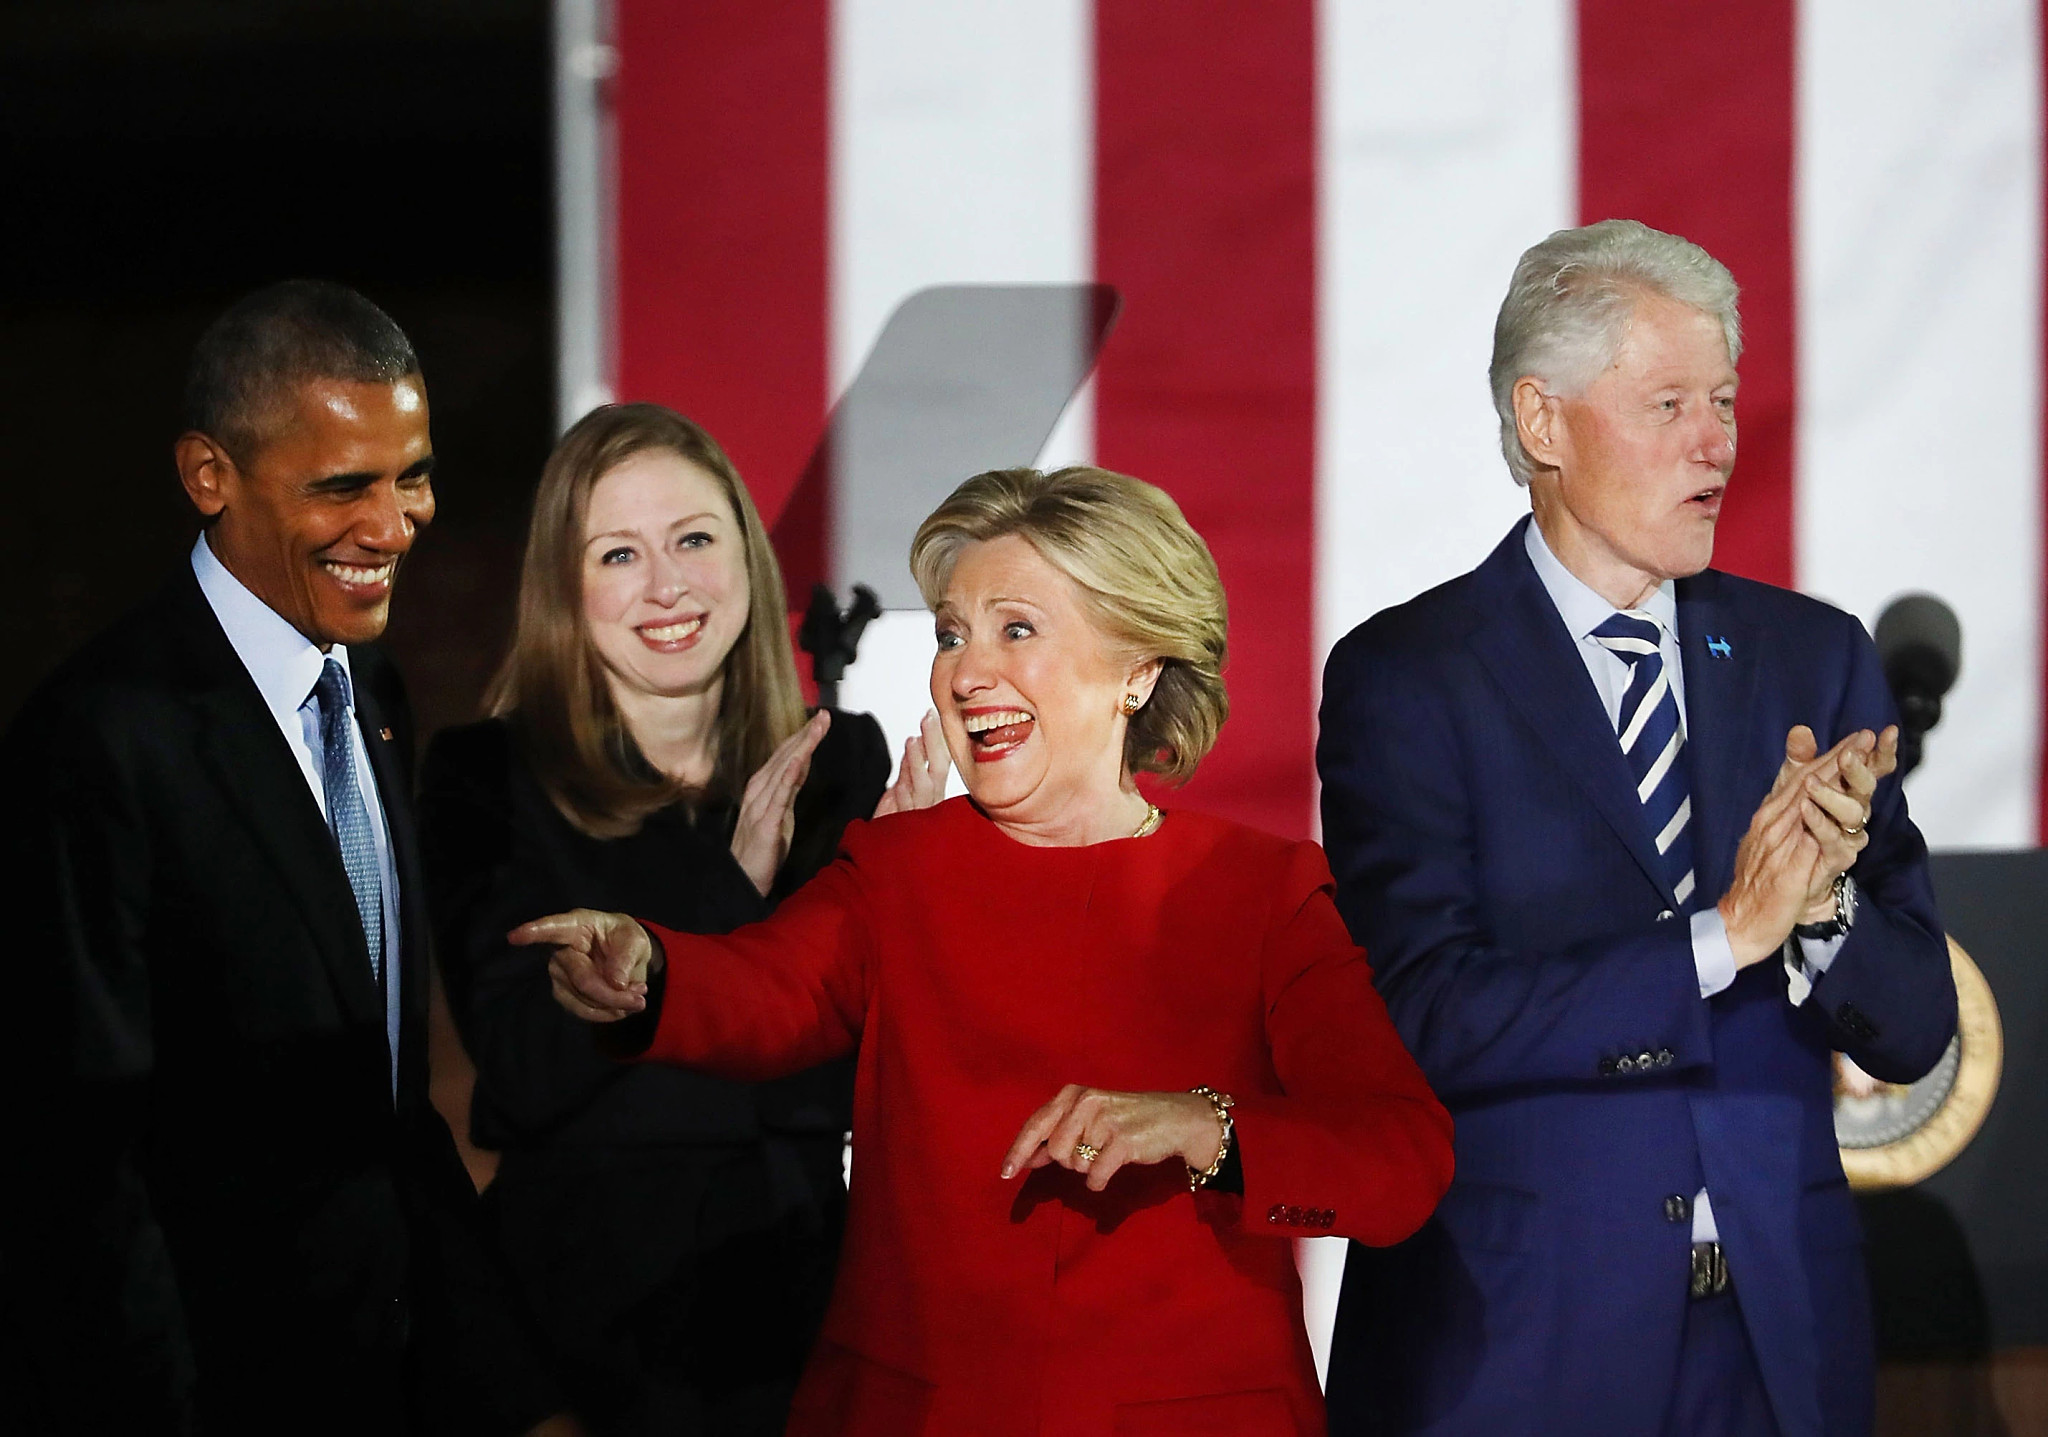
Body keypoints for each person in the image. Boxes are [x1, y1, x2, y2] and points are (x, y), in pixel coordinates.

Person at [518, 465, 1454, 1437]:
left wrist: (1208, 1128)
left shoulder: (1263, 890)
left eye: (1016, 629)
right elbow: (767, 985)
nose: (965, 673)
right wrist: (650, 966)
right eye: (951, 634)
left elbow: (1398, 1158)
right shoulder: (895, 867)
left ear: (1136, 668)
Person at [1317, 220, 1958, 1437]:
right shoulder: (1409, 677)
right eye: (1668, 403)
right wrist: (1723, 938)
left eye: (1720, 399)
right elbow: (1425, 1017)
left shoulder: (1809, 662)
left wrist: (1819, 910)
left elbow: (1915, 1028)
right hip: (1512, 1346)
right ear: (1541, 422)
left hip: (1776, 1345)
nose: (1716, 443)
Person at [0, 283, 576, 1434]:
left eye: (409, 474)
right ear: (209, 476)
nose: (395, 523)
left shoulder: (370, 692)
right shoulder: (100, 739)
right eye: (341, 487)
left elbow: (386, 1107)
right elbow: (74, 1171)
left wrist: (510, 1390)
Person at [417, 402, 948, 1435]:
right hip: (584, 1341)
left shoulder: (842, 763)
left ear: (745, 554)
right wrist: (727, 895)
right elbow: (525, 1065)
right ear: (563, 589)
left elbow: (860, 1070)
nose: (667, 586)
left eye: (694, 539)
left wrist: (936, 894)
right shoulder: (487, 776)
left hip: (812, 1324)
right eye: (618, 553)